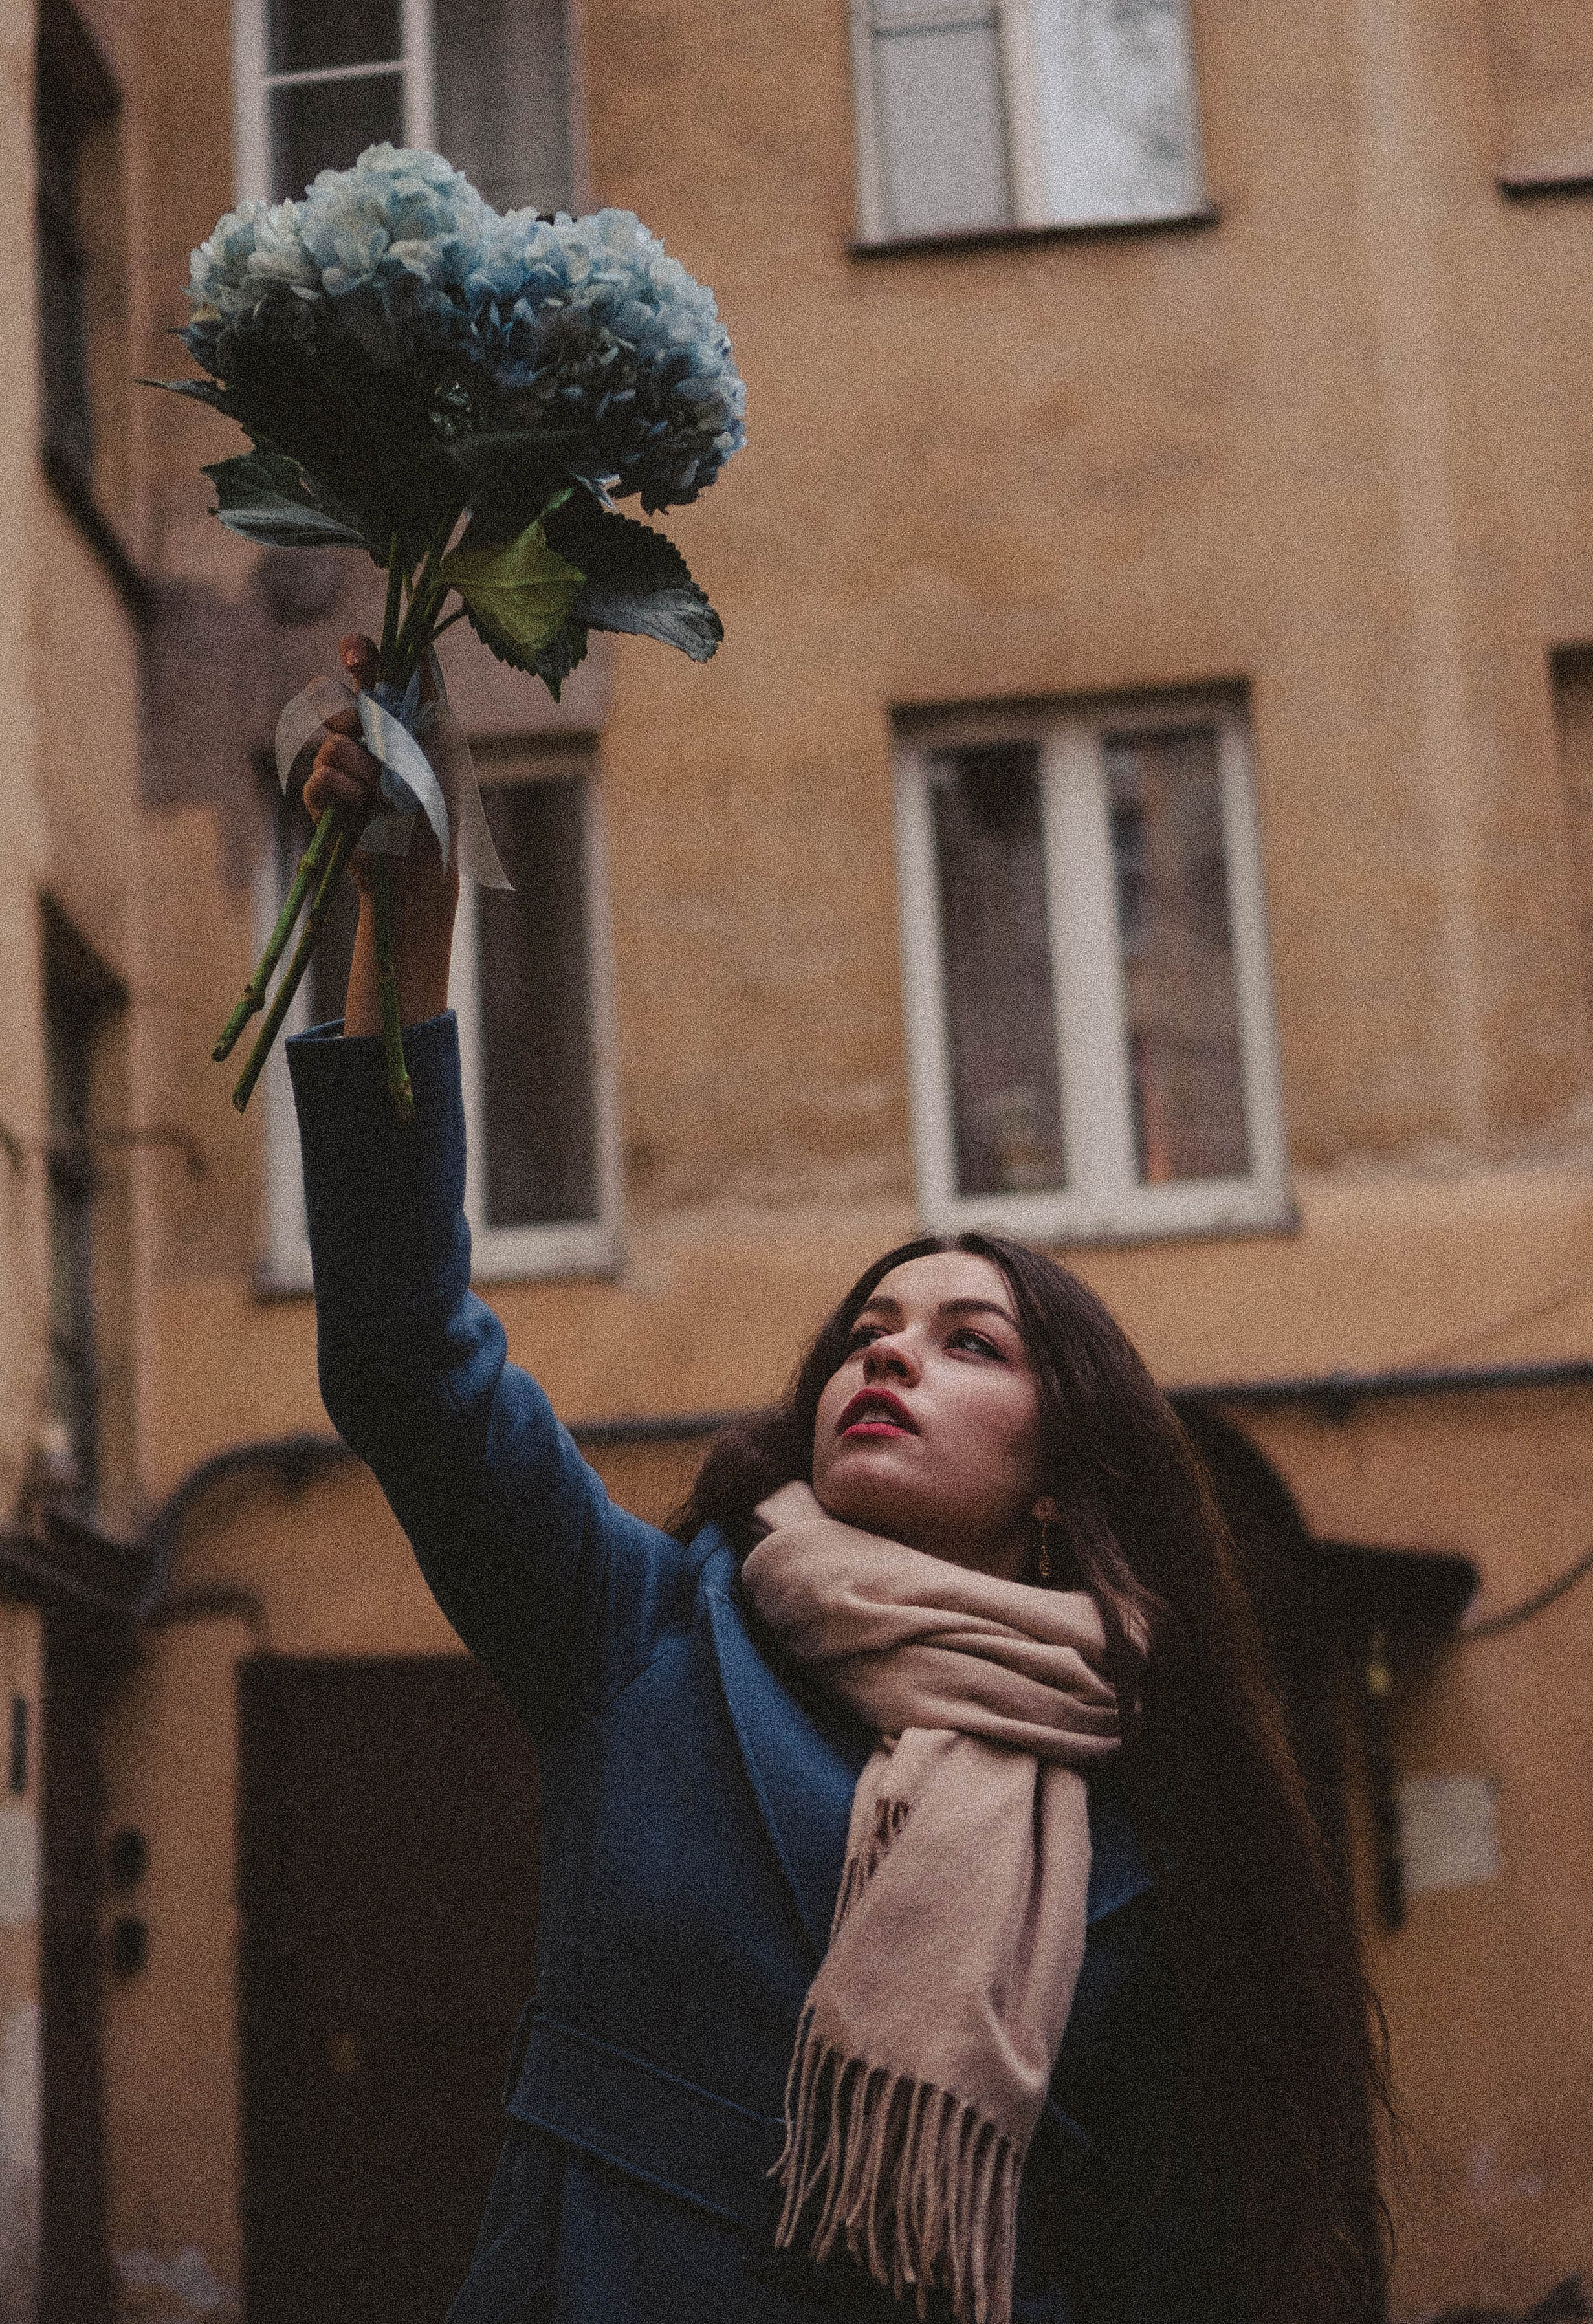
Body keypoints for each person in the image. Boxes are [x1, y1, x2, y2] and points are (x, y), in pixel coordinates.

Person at [287, 639, 1394, 2324]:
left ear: (1057, 1476)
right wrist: (414, 904)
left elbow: (1172, 2259)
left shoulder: (1144, 1825)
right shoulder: (640, 1631)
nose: (890, 1354)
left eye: (969, 1344)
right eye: (869, 1330)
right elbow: (402, 1355)